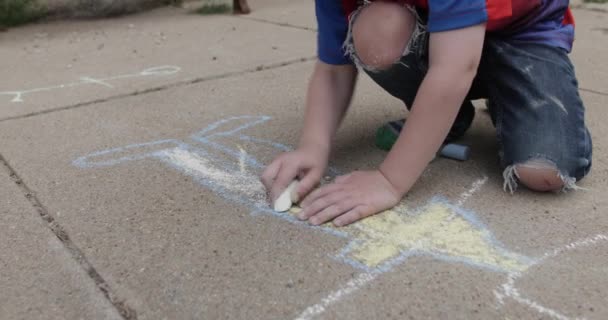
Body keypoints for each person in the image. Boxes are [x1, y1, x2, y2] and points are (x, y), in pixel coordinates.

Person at [261, 0, 592, 227]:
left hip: (522, 35)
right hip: (445, 38)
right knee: (379, 29)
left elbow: (455, 68)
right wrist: (312, 146)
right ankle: (453, 115)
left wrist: (389, 181)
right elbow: (333, 70)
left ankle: (506, 96)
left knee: (541, 172)